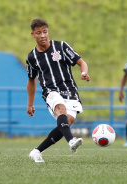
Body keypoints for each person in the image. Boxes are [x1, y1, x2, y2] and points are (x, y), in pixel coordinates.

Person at [26, 18, 90, 162]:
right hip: (50, 91)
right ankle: (72, 141)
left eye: (45, 32)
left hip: (70, 90)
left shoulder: (61, 46)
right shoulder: (32, 57)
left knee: (66, 123)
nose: (43, 35)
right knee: (60, 109)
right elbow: (31, 80)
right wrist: (30, 104)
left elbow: (81, 62)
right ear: (33, 34)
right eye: (38, 33)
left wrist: (83, 72)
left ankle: (37, 151)